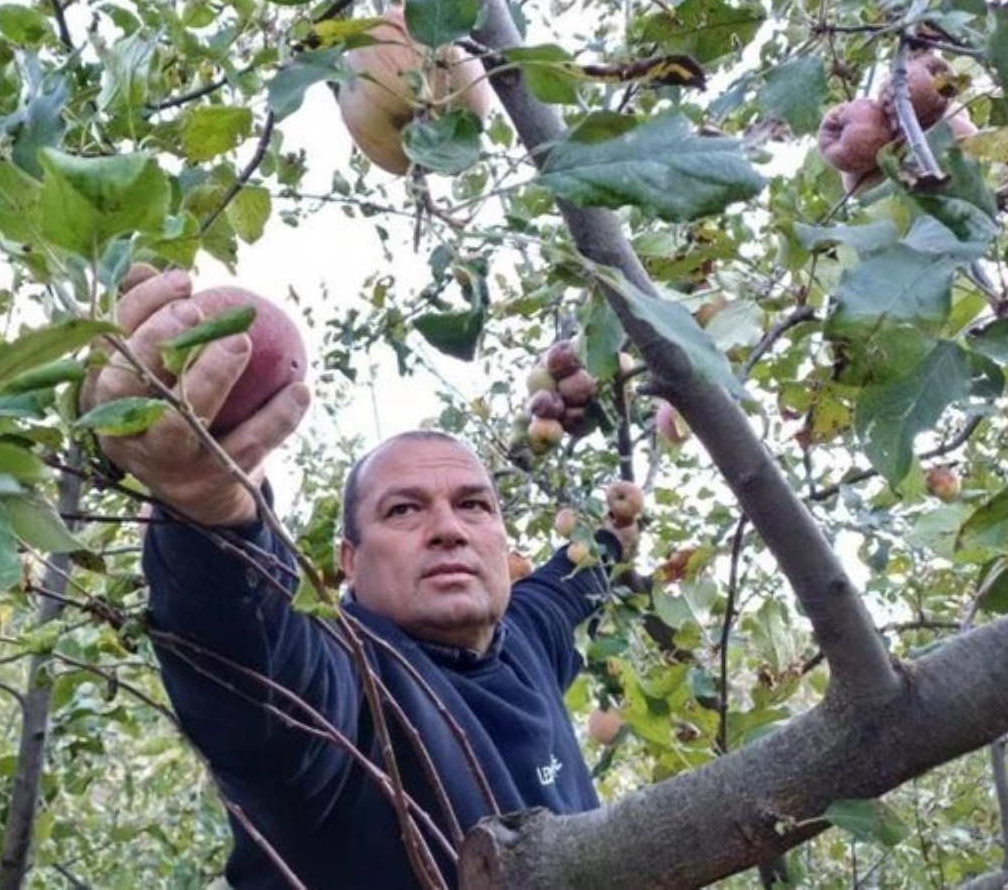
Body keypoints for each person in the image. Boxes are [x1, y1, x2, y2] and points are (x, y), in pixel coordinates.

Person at [83, 266, 617, 889]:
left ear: (502, 539)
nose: (449, 529)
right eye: (404, 510)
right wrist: (212, 513)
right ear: (348, 560)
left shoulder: (524, 635)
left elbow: (572, 580)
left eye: (473, 505)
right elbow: (259, 664)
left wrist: (613, 534)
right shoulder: (350, 678)